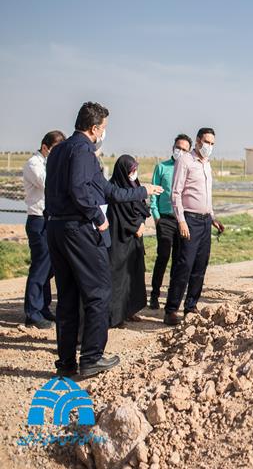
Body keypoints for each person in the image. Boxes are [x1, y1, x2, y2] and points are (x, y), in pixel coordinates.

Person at [45, 102, 162, 377]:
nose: (104, 133)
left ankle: (66, 363)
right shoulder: (83, 150)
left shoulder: (59, 150)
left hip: (57, 228)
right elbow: (79, 190)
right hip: (80, 230)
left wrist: (143, 190)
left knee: (67, 296)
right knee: (98, 292)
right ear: (94, 128)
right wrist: (98, 217)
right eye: (104, 128)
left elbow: (109, 190)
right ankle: (91, 357)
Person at [164, 128, 224, 325]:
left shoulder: (207, 164)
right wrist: (181, 220)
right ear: (198, 141)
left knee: (200, 265)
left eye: (212, 144)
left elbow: (206, 195)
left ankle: (191, 306)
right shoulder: (185, 161)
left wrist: (213, 217)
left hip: (205, 220)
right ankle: (171, 309)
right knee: (185, 265)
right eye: (207, 142)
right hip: (189, 220)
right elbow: (176, 193)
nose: (209, 146)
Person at [22, 130, 65, 328]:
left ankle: (43, 308)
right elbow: (48, 183)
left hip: (50, 219)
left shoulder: (49, 164)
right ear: (45, 147)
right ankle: (32, 312)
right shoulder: (34, 164)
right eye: (55, 149)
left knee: (49, 268)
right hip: (38, 219)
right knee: (40, 267)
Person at [148, 134, 192, 309]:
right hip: (165, 219)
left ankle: (172, 297)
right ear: (173, 147)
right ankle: (154, 294)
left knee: (178, 259)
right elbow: (154, 194)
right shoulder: (162, 167)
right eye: (178, 147)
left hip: (182, 220)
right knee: (163, 255)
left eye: (184, 149)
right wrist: (156, 216)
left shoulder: (189, 169)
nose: (180, 151)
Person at [107, 155, 150, 327]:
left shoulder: (135, 186)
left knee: (134, 276)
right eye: (131, 171)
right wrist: (135, 227)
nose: (134, 173)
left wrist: (141, 223)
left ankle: (130, 310)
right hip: (120, 240)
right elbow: (120, 215)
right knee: (119, 279)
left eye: (135, 170)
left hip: (134, 241)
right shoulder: (115, 189)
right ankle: (116, 317)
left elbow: (141, 207)